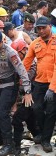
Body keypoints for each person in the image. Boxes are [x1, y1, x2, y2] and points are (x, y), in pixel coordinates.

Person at [23, 16, 56, 153]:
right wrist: (23, 81)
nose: (41, 31)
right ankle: (42, 133)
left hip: (53, 83)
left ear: (50, 26)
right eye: (39, 29)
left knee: (51, 112)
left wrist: (52, 88)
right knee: (36, 108)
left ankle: (46, 140)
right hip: (40, 81)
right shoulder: (35, 43)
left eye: (43, 28)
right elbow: (26, 62)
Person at [10, 40, 40, 155]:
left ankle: (16, 146)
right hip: (27, 95)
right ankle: (38, 137)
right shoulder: (19, 62)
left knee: (17, 119)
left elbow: (25, 79)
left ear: (24, 50)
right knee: (30, 120)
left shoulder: (32, 63)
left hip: (32, 95)